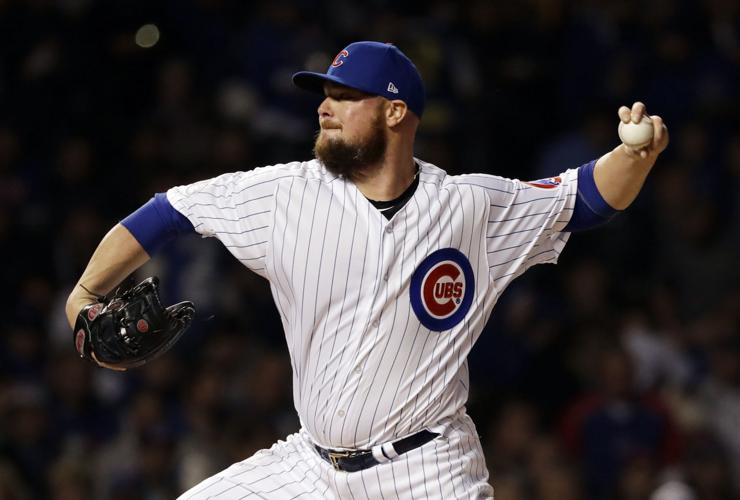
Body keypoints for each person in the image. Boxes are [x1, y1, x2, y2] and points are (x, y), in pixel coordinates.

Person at [65, 41, 669, 499]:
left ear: (396, 112)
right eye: (325, 95)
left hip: (429, 472)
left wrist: (634, 154)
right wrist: (86, 295)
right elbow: (167, 212)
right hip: (311, 466)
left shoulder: (470, 207)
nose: (325, 108)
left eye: (346, 97)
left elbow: (585, 199)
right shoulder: (284, 195)